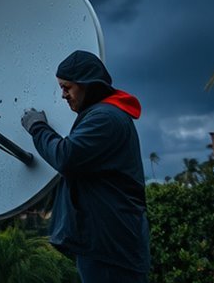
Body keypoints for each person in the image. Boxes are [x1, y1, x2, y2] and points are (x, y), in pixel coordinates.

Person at [21, 50, 150, 282]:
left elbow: (66, 157)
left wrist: (37, 128)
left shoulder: (106, 118)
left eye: (67, 87)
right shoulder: (104, 114)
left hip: (111, 250)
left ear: (88, 85)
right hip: (105, 245)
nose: (63, 95)